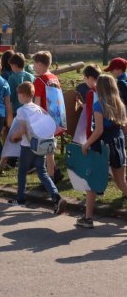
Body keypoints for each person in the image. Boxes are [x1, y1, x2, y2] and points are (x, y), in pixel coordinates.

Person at [8, 82, 67, 214]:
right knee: (43, 172)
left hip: (27, 146)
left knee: (22, 172)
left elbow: (22, 130)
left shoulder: (21, 110)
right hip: (40, 145)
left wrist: (13, 137)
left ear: (22, 95)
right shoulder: (38, 108)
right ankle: (56, 197)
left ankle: (21, 198)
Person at [76, 75, 127, 229]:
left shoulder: (99, 105)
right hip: (118, 142)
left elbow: (98, 130)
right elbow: (124, 128)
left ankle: (88, 218)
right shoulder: (120, 105)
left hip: (102, 145)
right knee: (121, 181)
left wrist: (86, 144)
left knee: (92, 182)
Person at [33, 51, 64, 183]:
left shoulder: (39, 80)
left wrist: (34, 120)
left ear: (40, 64)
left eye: (34, 64)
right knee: (50, 147)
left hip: (44, 119)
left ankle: (50, 178)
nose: (33, 67)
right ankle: (56, 171)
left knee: (48, 150)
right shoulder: (53, 77)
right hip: (56, 117)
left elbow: (37, 103)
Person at [82, 65, 101, 139]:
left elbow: (90, 116)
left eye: (85, 78)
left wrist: (88, 136)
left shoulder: (91, 94)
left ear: (90, 78)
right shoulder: (106, 90)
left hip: (95, 134)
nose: (84, 80)